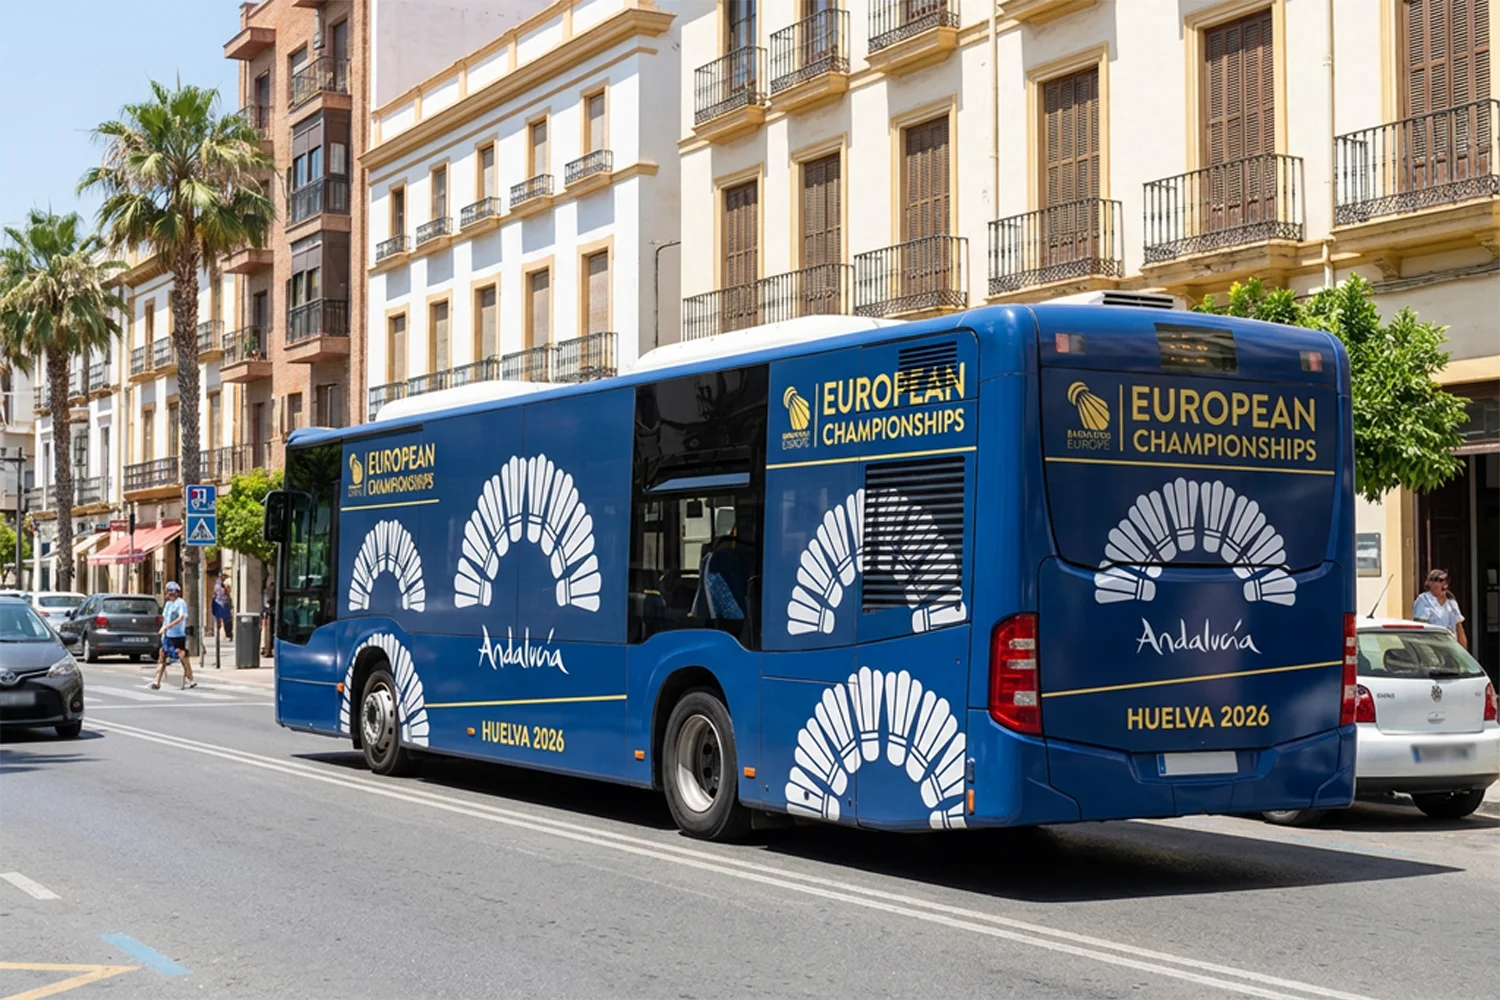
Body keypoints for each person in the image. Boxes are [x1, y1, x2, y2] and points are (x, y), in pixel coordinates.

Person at [152, 581, 196, 690]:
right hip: (167, 636)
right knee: (162, 655)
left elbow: (181, 617)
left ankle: (190, 678)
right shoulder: (168, 604)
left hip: (177, 635)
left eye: (171, 593)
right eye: (168, 593)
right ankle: (156, 682)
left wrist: (167, 627)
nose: (169, 595)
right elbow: (165, 619)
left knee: (182, 656)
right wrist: (164, 630)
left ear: (176, 593)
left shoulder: (181, 603)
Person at [1413, 568, 1468, 649]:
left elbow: (1459, 629)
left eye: (1445, 580)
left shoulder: (1452, 603)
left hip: (1451, 648)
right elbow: (1421, 629)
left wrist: (1464, 653)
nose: (1442, 583)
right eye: (1438, 580)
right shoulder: (1424, 600)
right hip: (1433, 648)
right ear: (1429, 583)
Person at [212, 576, 233, 640]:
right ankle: (228, 633)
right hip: (223, 605)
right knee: (227, 620)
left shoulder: (217, 586)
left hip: (220, 605)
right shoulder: (220, 587)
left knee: (222, 619)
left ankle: (225, 632)